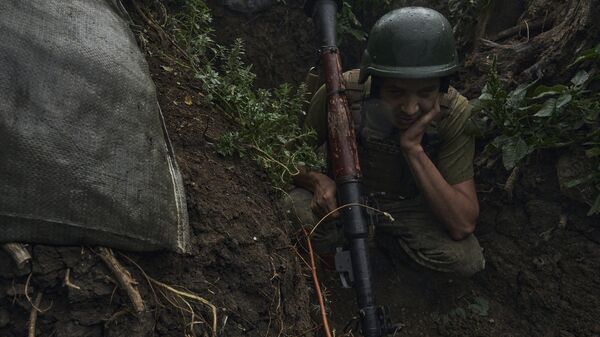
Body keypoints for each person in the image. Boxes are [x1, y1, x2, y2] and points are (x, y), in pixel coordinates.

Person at [284, 7, 485, 277]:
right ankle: (333, 262)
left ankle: (386, 251)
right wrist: (318, 181)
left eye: (426, 92)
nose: (411, 109)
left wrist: (413, 149)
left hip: (407, 209)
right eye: (396, 92)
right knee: (290, 209)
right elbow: (286, 159)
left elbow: (462, 223)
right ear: (376, 84)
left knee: (466, 259)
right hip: (344, 200)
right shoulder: (341, 93)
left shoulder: (454, 113)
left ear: (443, 85)